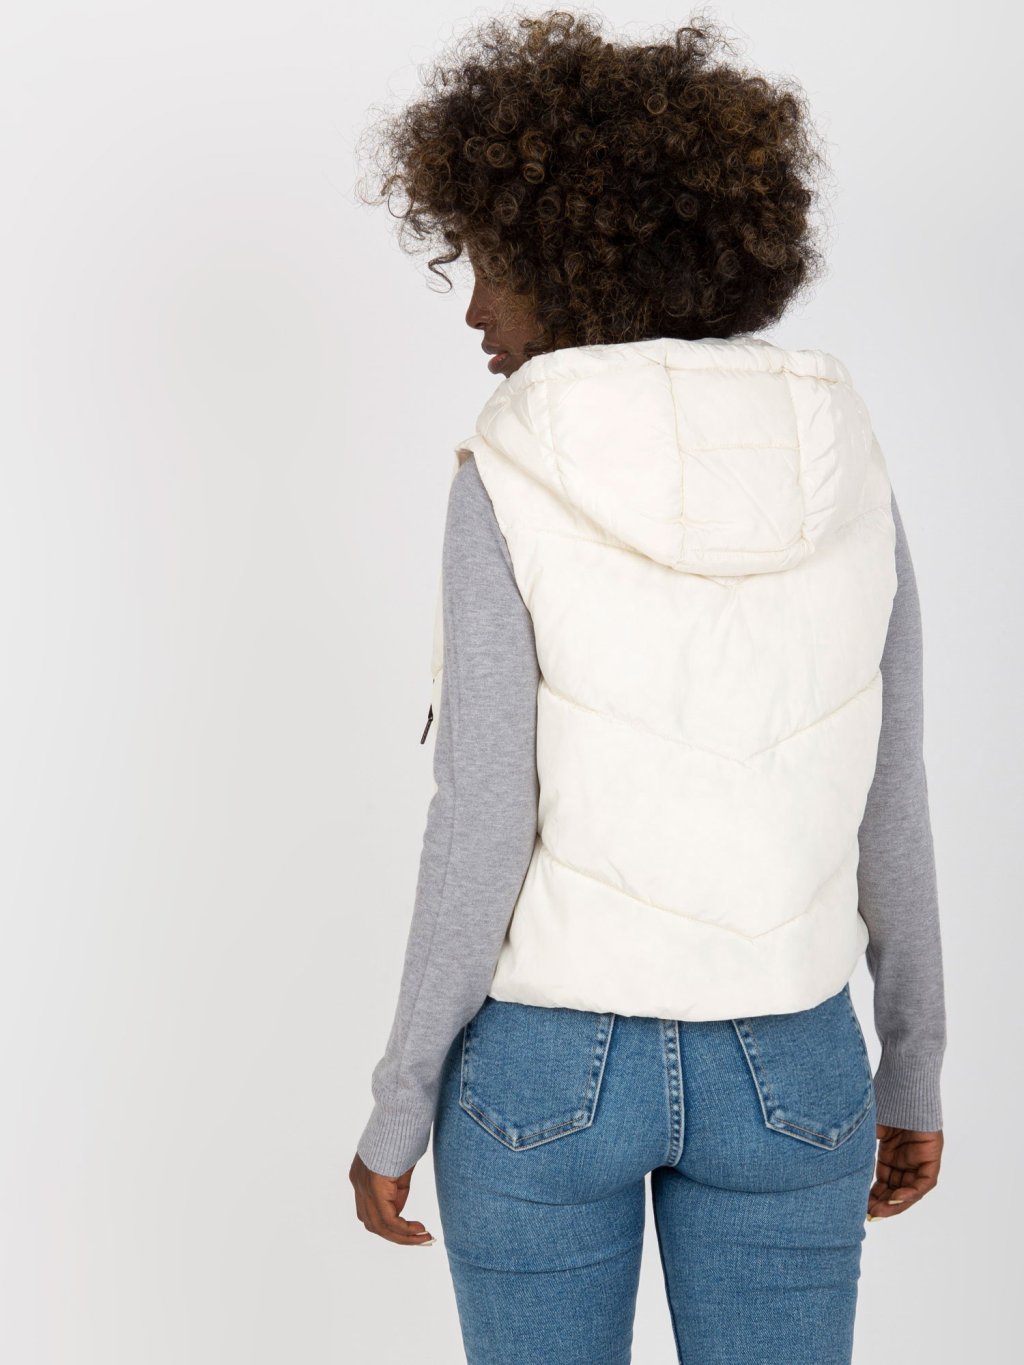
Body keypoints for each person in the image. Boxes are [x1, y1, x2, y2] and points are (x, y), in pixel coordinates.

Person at [349, 11, 946, 1363]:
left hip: (544, 1073)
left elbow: (481, 817)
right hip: (794, 1064)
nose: (474, 310)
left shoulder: (508, 470)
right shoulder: (849, 459)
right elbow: (891, 797)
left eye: (487, 263)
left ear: (570, 259)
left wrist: (398, 1103)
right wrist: (912, 1065)